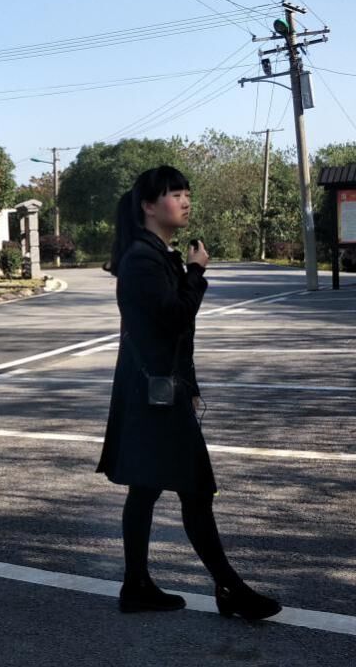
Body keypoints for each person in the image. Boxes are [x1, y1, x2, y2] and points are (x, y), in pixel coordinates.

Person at [98, 165, 281, 620]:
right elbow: (175, 318)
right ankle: (228, 588)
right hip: (154, 398)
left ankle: (137, 585)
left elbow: (176, 337)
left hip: (155, 392)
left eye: (186, 193)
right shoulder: (143, 259)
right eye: (175, 193)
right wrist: (197, 273)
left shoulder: (156, 254)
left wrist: (191, 385)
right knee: (196, 489)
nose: (185, 200)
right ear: (148, 205)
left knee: (145, 489)